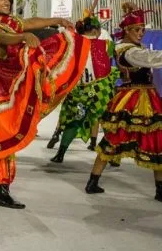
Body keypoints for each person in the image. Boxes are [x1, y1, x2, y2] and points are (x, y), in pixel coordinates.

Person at [0, 0, 88, 209]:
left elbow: (29, 22)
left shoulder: (9, 22)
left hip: (3, 86)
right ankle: (2, 192)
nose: (7, 2)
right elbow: (1, 37)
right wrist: (21, 38)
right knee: (4, 137)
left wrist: (55, 20)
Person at [85, 3, 162, 204]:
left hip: (144, 96)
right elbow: (151, 58)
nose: (141, 34)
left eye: (142, 30)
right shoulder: (128, 51)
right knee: (116, 139)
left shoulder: (131, 47)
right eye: (136, 30)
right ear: (126, 31)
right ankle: (93, 181)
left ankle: (160, 189)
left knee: (156, 140)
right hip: (134, 98)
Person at [50, 10, 119, 163]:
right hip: (101, 89)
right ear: (95, 30)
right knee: (107, 121)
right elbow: (111, 61)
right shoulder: (107, 44)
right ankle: (113, 156)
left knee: (73, 121)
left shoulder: (73, 44)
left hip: (79, 89)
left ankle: (60, 154)